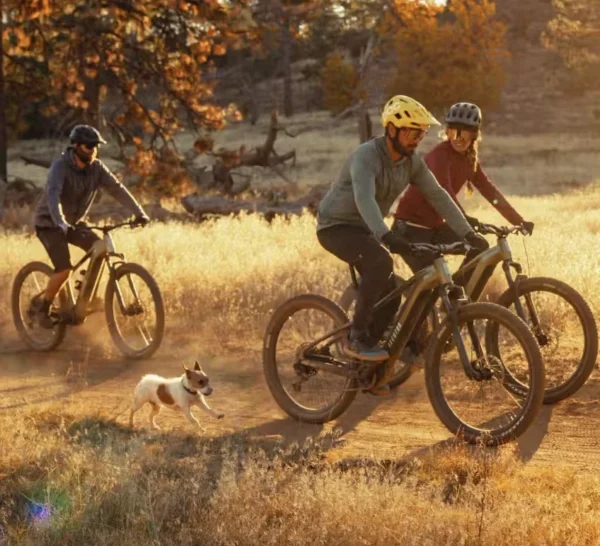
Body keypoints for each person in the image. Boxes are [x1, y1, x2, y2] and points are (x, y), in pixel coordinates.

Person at [316, 95, 488, 362]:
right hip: (336, 226)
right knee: (380, 262)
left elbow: (439, 196)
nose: (417, 140)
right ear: (392, 129)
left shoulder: (411, 162)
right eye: (413, 133)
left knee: (392, 299)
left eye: (421, 134)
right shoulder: (366, 156)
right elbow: (364, 199)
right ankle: (356, 339)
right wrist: (387, 236)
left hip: (365, 228)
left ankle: (369, 361)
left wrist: (468, 233)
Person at [393, 102, 534, 275]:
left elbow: (491, 192)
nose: (458, 138)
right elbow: (445, 193)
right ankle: (445, 298)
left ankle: (462, 299)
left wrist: (519, 221)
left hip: (434, 229)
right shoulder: (439, 155)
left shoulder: (469, 160)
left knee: (480, 248)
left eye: (464, 133)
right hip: (409, 229)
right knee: (433, 279)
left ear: (474, 135)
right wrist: (465, 222)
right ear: (447, 132)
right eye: (453, 132)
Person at [33, 124, 150, 328]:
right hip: (50, 223)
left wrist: (139, 212)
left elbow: (117, 189)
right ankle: (43, 308)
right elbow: (53, 195)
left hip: (74, 223)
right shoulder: (60, 166)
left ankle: (84, 297)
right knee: (63, 270)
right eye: (89, 146)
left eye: (96, 146)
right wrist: (60, 221)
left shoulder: (96, 167)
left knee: (100, 248)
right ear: (76, 146)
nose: (93, 150)